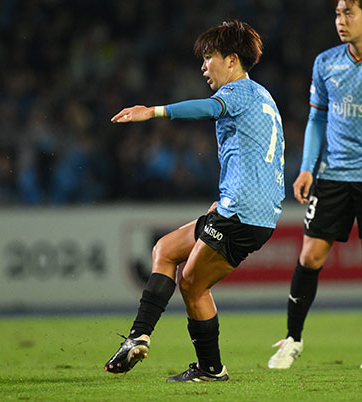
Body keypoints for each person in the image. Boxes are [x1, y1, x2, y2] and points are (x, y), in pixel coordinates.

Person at [104, 20, 285, 382]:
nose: (203, 67)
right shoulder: (262, 96)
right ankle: (138, 336)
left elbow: (208, 109)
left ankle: (211, 369)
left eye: (209, 58)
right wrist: (231, 196)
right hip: (244, 207)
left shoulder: (238, 92)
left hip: (243, 213)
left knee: (192, 284)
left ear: (232, 60)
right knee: (165, 249)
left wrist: (153, 111)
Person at [268, 0, 362, 369]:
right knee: (310, 255)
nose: (340, 21)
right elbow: (317, 119)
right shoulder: (325, 62)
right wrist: (307, 167)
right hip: (332, 175)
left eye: (348, 13)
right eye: (337, 13)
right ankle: (292, 340)